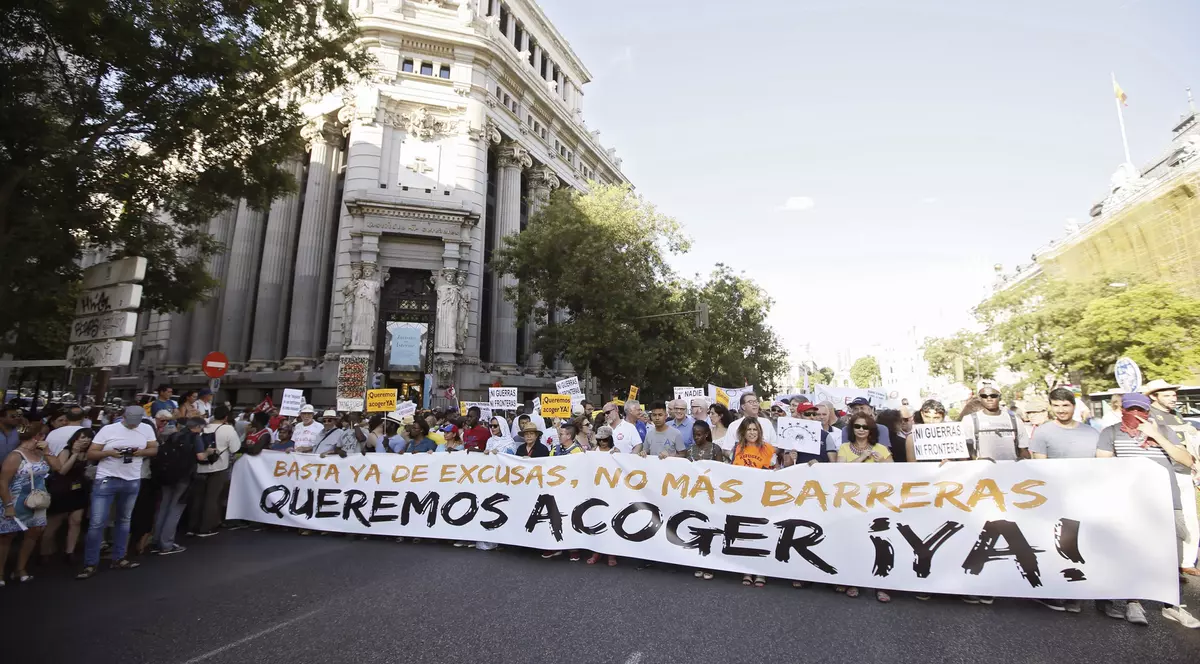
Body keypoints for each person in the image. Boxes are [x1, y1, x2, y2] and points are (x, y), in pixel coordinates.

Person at [1097, 392, 1200, 628]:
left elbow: (1186, 460)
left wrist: (1156, 436)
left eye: (1141, 410)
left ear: (1148, 411)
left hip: (1165, 500)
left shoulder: (1163, 430)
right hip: (1130, 502)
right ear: (1122, 409)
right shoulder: (1110, 432)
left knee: (1167, 554)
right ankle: (1133, 602)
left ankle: (1171, 606)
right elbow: (1101, 465)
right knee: (1132, 552)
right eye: (1130, 409)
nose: (1136, 415)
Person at [1024, 387, 1107, 612]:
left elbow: (1102, 464)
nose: (1061, 410)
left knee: (1089, 545)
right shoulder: (1043, 432)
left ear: (1073, 406)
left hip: (1087, 495)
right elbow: (1039, 466)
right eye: (1056, 406)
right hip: (1058, 497)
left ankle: (1100, 595)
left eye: (1066, 405)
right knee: (1064, 546)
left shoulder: (1091, 433)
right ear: (1051, 407)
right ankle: (1070, 594)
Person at [78, 405, 158, 579]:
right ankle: (90, 563)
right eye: (131, 422)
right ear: (124, 416)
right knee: (97, 522)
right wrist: (108, 453)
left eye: (136, 422)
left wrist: (140, 452)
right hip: (107, 478)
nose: (134, 425)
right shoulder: (108, 430)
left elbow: (154, 449)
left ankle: (119, 557)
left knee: (124, 520)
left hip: (132, 479)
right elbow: (91, 453)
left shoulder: (146, 429)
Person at [1141, 379, 1200, 577]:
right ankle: (1166, 564)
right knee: (1166, 520)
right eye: (1167, 395)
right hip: (1165, 473)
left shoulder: (1176, 415)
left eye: (1174, 394)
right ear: (1153, 397)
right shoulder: (1150, 417)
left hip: (1185, 470)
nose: (1173, 398)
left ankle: (1186, 561)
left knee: (1189, 518)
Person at [836, 411, 893, 602]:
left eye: (865, 427)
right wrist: (862, 458)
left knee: (880, 542)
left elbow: (896, 473)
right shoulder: (844, 448)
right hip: (852, 503)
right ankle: (854, 581)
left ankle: (881, 584)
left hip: (877, 503)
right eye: (857, 426)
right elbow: (838, 472)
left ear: (871, 430)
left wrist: (881, 462)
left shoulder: (882, 449)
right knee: (855, 542)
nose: (861, 430)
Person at [0, 423, 62, 584]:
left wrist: (47, 451)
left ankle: (20, 568)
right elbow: (3, 482)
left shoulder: (41, 453)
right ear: (37, 436)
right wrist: (8, 506)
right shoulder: (15, 456)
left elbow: (58, 467)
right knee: (7, 536)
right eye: (44, 435)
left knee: (34, 533)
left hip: (37, 500)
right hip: (16, 499)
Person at [150, 417, 205, 556]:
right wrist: (209, 453)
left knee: (164, 507)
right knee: (176, 509)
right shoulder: (195, 438)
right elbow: (200, 457)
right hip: (184, 476)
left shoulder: (174, 435)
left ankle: (156, 541)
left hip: (167, 475)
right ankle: (167, 544)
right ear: (197, 427)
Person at [730, 417, 775, 587]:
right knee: (745, 532)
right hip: (743, 496)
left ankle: (761, 571)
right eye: (748, 429)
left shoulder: (768, 449)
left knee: (761, 531)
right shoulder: (738, 448)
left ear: (760, 431)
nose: (752, 433)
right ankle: (747, 570)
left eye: (755, 429)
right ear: (743, 431)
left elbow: (774, 471)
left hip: (762, 496)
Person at [41, 427, 92, 564]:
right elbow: (62, 470)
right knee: (54, 522)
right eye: (82, 437)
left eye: (88, 438)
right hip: (62, 489)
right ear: (75, 439)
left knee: (76, 521)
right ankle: (44, 552)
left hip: (79, 489)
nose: (86, 440)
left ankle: (70, 551)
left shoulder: (88, 453)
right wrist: (74, 454)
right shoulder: (66, 451)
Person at [188, 405, 240, 538]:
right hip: (218, 466)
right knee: (212, 497)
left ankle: (192, 526)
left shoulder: (203, 427)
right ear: (226, 417)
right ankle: (206, 527)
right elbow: (235, 448)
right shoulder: (227, 428)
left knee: (198, 497)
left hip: (200, 466)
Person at [962, 384, 1029, 460]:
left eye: (993, 395)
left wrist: (1023, 461)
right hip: (984, 469)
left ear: (999, 397)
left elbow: (1024, 450)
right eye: (984, 396)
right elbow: (966, 450)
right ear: (980, 398)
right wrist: (977, 459)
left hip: (1010, 468)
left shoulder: (1014, 419)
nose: (989, 399)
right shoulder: (969, 420)